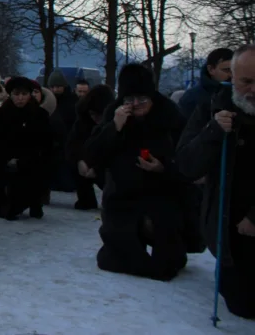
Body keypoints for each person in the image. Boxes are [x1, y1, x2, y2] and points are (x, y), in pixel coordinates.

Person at [86, 64, 188, 281]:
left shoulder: (170, 116)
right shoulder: (114, 114)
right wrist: (114, 127)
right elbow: (93, 155)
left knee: (166, 265)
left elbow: (188, 161)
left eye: (142, 100)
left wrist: (163, 167)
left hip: (161, 195)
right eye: (129, 101)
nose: (135, 106)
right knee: (112, 259)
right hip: (121, 196)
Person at [177, 45, 255, 320]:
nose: (253, 90)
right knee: (242, 306)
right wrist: (212, 133)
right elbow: (186, 165)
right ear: (231, 78)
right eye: (246, 82)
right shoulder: (212, 107)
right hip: (230, 236)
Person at [0, 77, 52, 220]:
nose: (20, 98)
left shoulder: (40, 115)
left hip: (29, 166)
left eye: (24, 94)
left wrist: (23, 161)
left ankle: (33, 201)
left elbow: (45, 145)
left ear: (29, 95)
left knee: (18, 199)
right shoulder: (2, 114)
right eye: (16, 94)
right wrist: (4, 159)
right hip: (5, 163)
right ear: (10, 95)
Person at [65, 84, 114, 210]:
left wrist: (97, 168)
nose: (96, 118)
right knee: (74, 165)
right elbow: (73, 144)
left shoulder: (115, 123)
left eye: (100, 115)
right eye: (93, 114)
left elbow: (113, 151)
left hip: (106, 166)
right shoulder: (83, 120)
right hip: (88, 163)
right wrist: (79, 160)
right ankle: (86, 199)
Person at [177, 47, 233, 123]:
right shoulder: (192, 97)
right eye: (226, 70)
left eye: (234, 70)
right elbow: (185, 132)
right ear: (211, 69)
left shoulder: (242, 93)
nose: (231, 75)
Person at [48, 69, 79, 194]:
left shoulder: (72, 101)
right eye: (53, 87)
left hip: (67, 141)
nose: (56, 89)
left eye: (58, 86)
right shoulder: (48, 101)